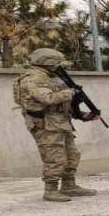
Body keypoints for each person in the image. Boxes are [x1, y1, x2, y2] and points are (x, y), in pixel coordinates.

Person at [14, 48, 98, 202]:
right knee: (54, 158)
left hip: (61, 122)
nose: (58, 65)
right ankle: (50, 190)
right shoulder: (33, 79)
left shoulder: (53, 77)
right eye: (56, 62)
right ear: (46, 61)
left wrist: (84, 115)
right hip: (45, 124)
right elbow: (48, 98)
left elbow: (63, 105)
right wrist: (71, 93)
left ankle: (69, 186)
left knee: (72, 155)